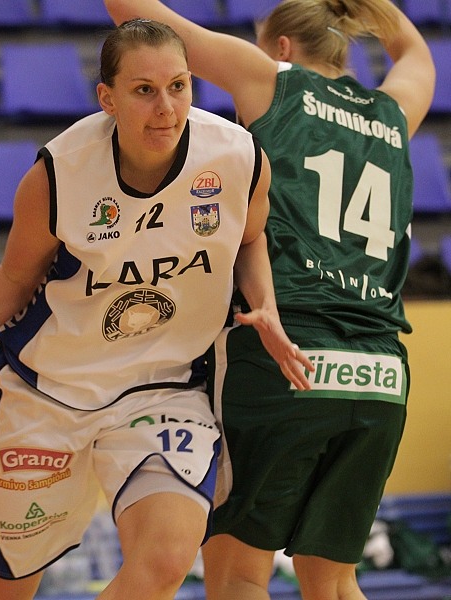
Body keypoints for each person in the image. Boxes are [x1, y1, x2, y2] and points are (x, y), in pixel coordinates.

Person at [0, 18, 311, 600]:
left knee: (166, 561)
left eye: (178, 86)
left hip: (164, 388)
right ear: (107, 98)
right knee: (2, 594)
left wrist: (267, 308)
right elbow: (13, 279)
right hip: (49, 390)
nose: (166, 108)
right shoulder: (60, 173)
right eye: (144, 90)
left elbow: (250, 238)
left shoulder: (236, 157)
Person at [104, 1, 435, 599]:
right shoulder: (394, 112)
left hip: (284, 352)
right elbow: (415, 53)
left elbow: (135, 15)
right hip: (380, 371)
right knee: (336, 584)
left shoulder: (272, 81)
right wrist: (373, 7)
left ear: (281, 46)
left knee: (238, 576)